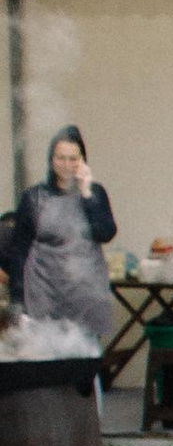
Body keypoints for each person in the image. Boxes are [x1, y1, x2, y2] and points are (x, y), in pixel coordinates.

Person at [1, 127, 117, 346]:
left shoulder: (96, 193)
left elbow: (106, 232)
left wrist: (86, 194)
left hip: (86, 294)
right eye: (61, 158)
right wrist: (18, 300)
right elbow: (20, 251)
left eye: (73, 158)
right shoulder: (34, 198)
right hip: (44, 292)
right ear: (51, 160)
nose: (67, 165)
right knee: (47, 358)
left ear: (82, 160)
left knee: (84, 358)